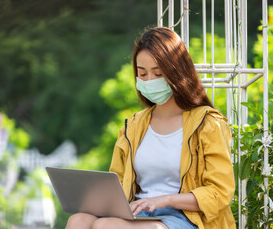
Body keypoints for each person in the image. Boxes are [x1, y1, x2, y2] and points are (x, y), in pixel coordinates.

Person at [65, 27, 236, 229]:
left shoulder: (208, 123)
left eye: (158, 73)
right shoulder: (133, 126)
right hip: (139, 214)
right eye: (142, 73)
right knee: (78, 221)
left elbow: (220, 193)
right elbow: (117, 185)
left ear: (177, 72)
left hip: (188, 218)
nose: (149, 81)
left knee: (107, 227)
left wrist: (165, 200)